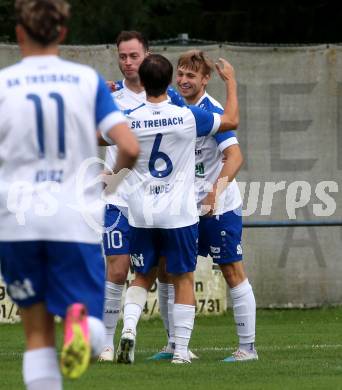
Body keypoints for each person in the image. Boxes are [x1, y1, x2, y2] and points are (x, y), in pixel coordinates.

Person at [0, 1, 139, 389]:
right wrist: (109, 185)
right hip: (72, 217)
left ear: (19, 34)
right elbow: (128, 146)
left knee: (37, 338)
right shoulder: (86, 80)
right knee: (89, 323)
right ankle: (85, 327)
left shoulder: (3, 83)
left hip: (17, 221)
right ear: (62, 33)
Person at [116, 53, 239, 364]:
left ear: (141, 83)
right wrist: (232, 84)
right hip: (178, 213)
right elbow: (232, 121)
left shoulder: (129, 119)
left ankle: (129, 330)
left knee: (143, 276)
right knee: (182, 277)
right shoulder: (188, 116)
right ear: (170, 82)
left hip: (142, 212)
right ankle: (181, 352)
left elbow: (99, 138)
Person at [99, 30, 183, 362]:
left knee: (164, 270)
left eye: (134, 56)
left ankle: (172, 342)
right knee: (117, 269)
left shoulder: (171, 98)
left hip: (155, 201)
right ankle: (107, 343)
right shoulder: (110, 98)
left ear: (147, 55)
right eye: (123, 56)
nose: (128, 62)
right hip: (119, 197)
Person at [175, 50, 257, 362]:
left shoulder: (213, 110)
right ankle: (176, 346)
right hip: (182, 209)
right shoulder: (172, 105)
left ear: (205, 80)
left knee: (232, 270)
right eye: (180, 73)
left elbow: (235, 157)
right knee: (172, 270)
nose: (183, 80)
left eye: (191, 76)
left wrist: (213, 193)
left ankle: (247, 348)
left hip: (218, 207)